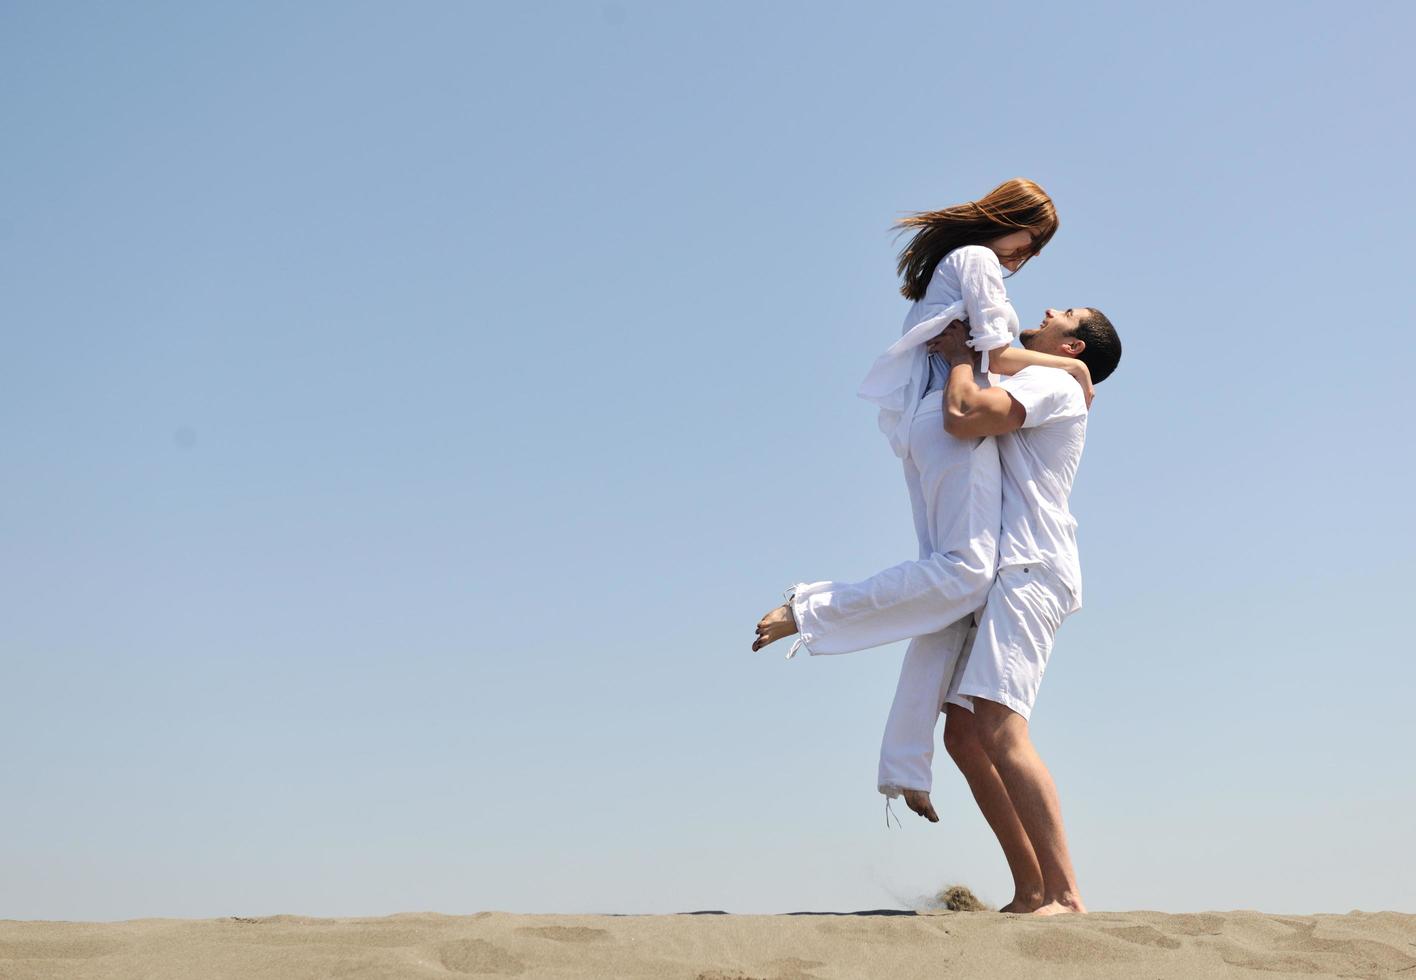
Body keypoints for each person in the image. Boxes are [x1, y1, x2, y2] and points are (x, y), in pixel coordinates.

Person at [753, 180, 1085, 804]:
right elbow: (995, 355)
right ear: (1013, 220)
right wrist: (1071, 364)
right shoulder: (978, 261)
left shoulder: (960, 264)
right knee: (963, 576)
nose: (1029, 254)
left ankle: (904, 766)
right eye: (1033, 239)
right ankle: (811, 608)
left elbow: (987, 353)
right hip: (948, 424)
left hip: (926, 429)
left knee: (953, 589)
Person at [903, 310, 1122, 915]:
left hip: (1032, 567)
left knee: (1000, 725)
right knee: (966, 735)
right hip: (1005, 571)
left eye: (1065, 316)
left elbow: (964, 417)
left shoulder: (1053, 385)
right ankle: (1031, 890)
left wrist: (957, 362)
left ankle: (1067, 896)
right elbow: (999, 362)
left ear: (1074, 343)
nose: (1048, 312)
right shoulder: (1052, 372)